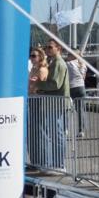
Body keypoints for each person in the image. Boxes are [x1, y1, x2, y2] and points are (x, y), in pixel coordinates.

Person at [34, 39, 70, 170]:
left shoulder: (59, 63)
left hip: (57, 104)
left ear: (58, 48)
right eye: (46, 47)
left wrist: (38, 85)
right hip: (53, 103)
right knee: (55, 134)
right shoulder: (53, 62)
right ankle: (56, 163)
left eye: (50, 47)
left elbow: (55, 84)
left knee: (57, 134)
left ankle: (58, 165)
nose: (47, 50)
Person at [66, 49, 87, 135]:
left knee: (67, 109)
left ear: (73, 55)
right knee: (80, 110)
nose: (67, 56)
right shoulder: (83, 64)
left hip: (71, 87)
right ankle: (81, 130)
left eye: (69, 54)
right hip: (81, 87)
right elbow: (83, 77)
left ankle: (65, 128)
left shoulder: (68, 64)